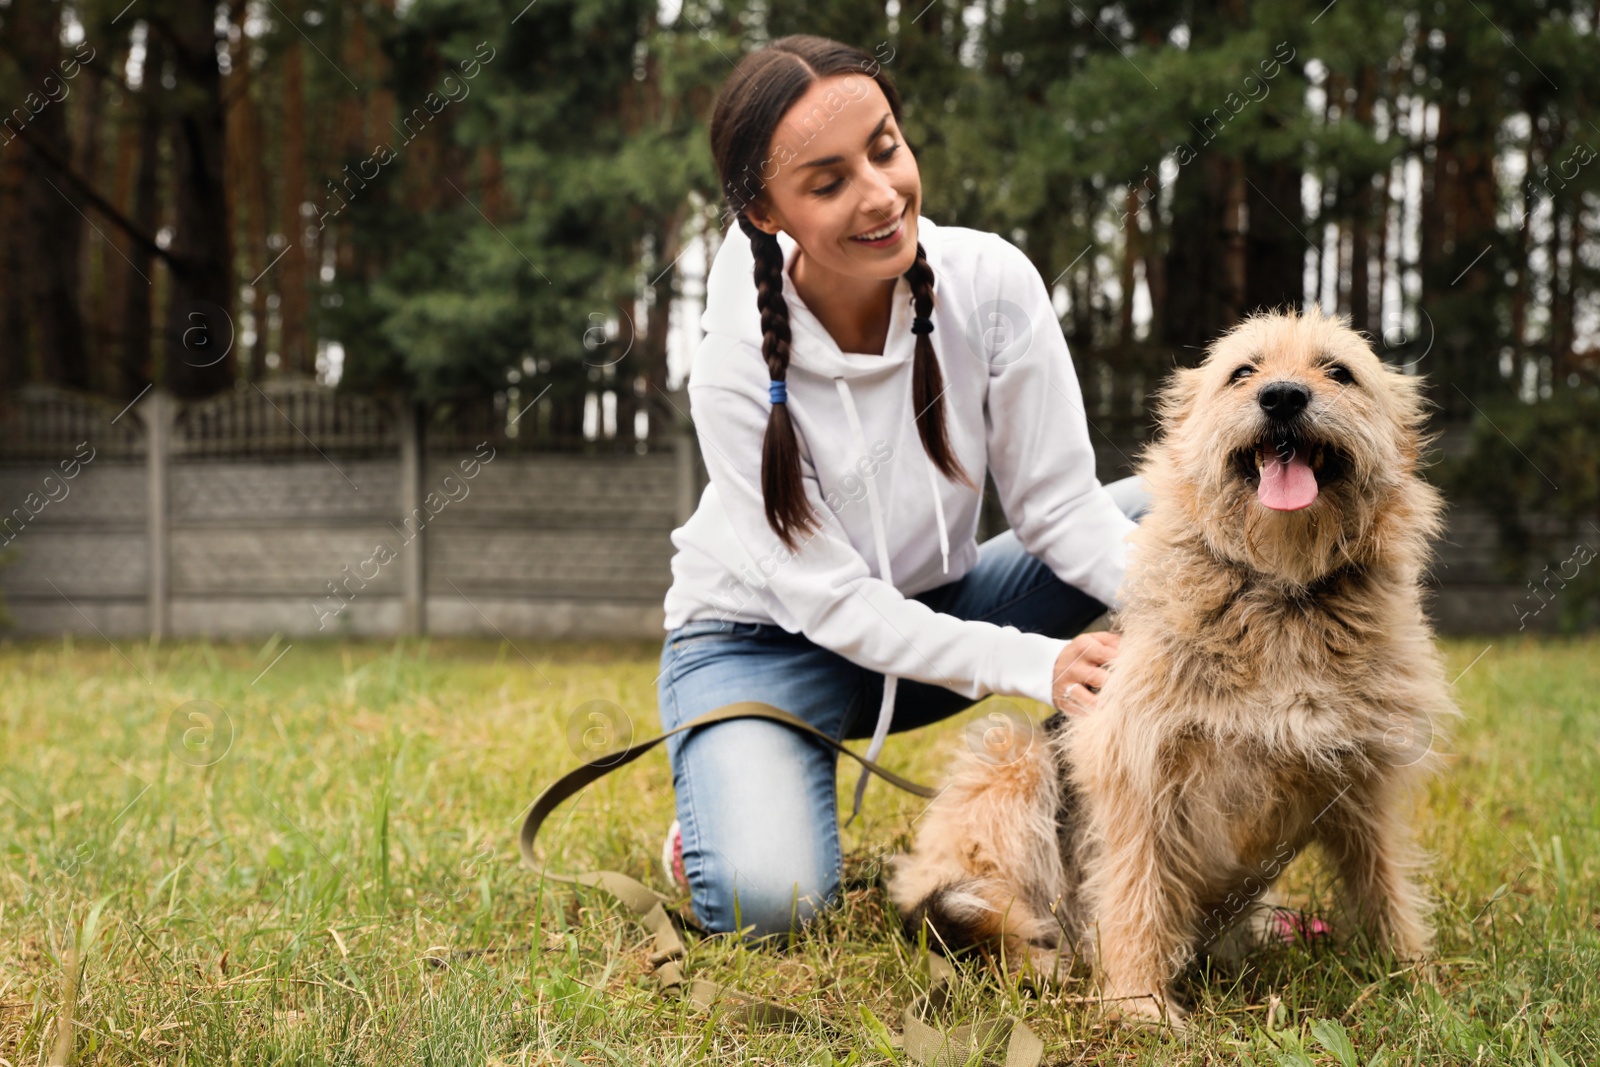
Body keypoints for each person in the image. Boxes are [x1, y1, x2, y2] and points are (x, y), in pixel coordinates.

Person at [656, 33, 1148, 940]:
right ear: (765, 210)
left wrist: (1216, 614)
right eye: (829, 180)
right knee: (776, 909)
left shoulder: (992, 285)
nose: (881, 195)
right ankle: (722, 813)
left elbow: (1061, 511)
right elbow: (834, 601)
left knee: (1159, 526)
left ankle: (1103, 817)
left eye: (885, 148)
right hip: (756, 649)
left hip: (930, 610)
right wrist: (1035, 664)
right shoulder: (731, 364)